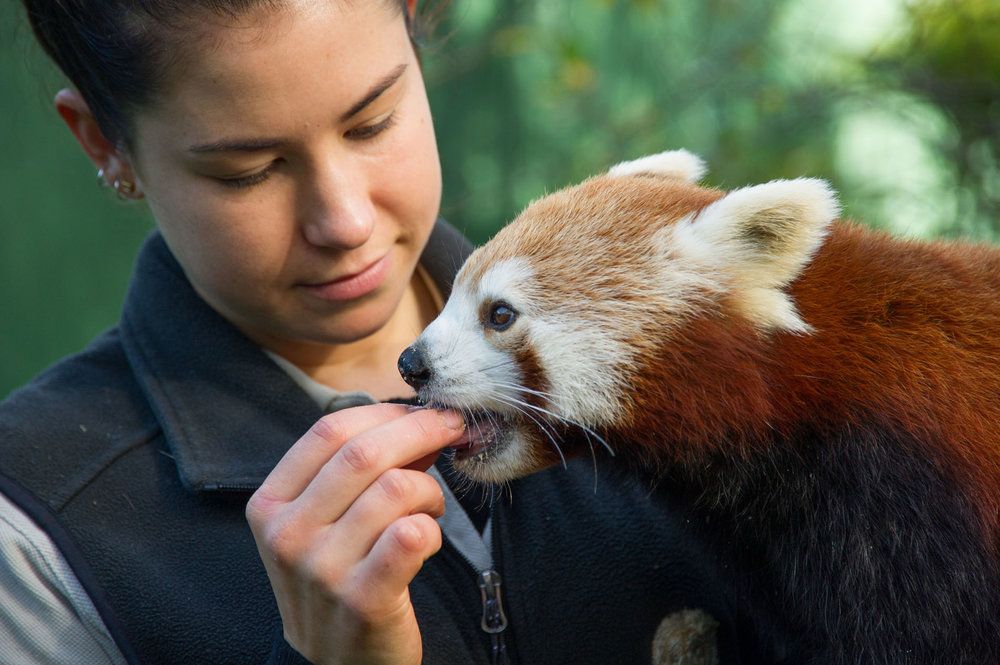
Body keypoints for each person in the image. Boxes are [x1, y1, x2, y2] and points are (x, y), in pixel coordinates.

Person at [1, 1, 770, 663]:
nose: (345, 220)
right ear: (104, 142)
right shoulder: (39, 532)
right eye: (249, 171)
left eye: (372, 123)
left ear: (412, 23)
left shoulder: (698, 365)